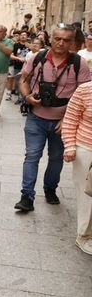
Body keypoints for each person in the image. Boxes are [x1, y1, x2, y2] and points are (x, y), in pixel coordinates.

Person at [15, 25, 91, 211]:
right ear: (51, 39)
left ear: (72, 42)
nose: (61, 43)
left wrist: (67, 120)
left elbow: (85, 95)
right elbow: (23, 80)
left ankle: (50, 188)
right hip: (36, 118)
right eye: (58, 38)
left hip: (63, 122)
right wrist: (27, 97)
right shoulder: (37, 58)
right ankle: (27, 196)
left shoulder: (78, 63)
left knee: (56, 158)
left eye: (66, 40)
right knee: (32, 156)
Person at [61, 80, 92, 255]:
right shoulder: (85, 90)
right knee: (87, 195)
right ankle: (84, 235)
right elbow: (70, 119)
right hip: (86, 149)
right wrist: (70, 146)